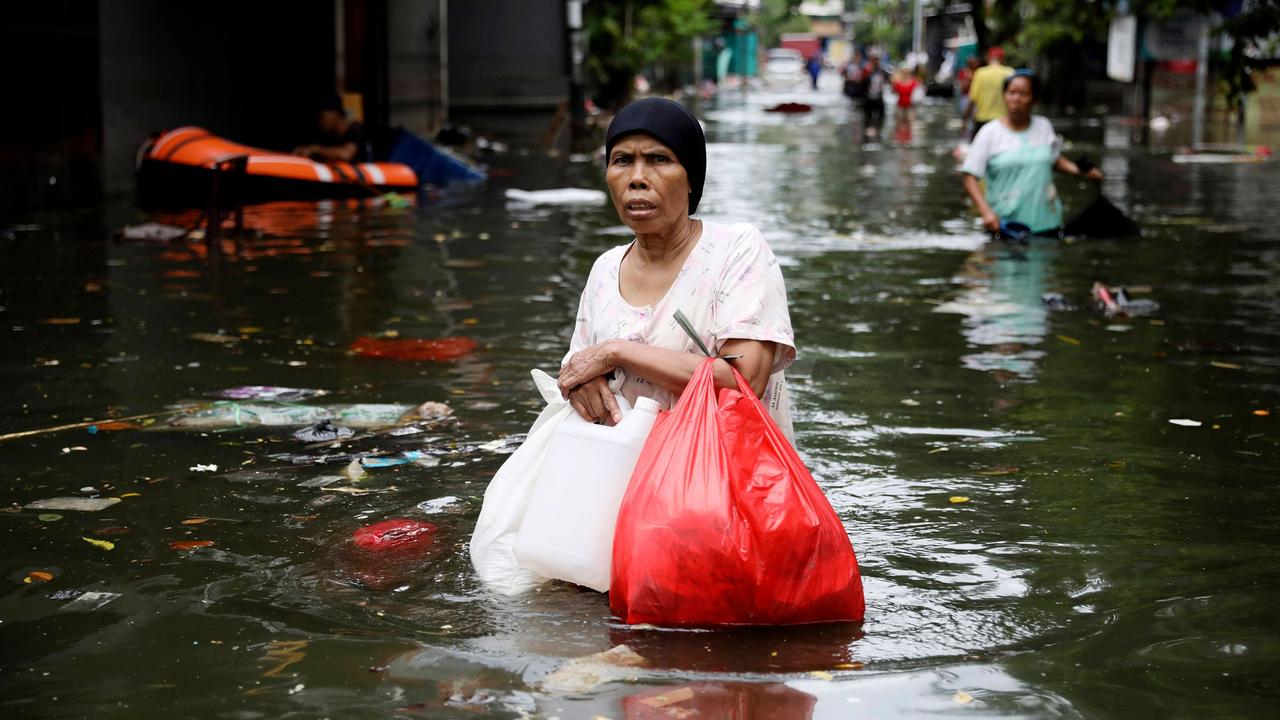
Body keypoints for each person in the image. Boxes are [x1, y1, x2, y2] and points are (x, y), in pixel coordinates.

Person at [557, 97, 798, 442]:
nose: (637, 178)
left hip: (721, 478)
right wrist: (582, 386)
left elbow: (745, 382)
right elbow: (578, 369)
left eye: (659, 159)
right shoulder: (606, 269)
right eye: (622, 160)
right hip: (628, 479)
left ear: (690, 179)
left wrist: (617, 351)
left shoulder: (736, 251)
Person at [961, 69, 1103, 236]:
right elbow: (969, 176)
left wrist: (1080, 171)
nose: (1015, 99)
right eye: (1011, 93)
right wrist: (986, 213)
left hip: (1047, 223)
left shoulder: (1043, 126)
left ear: (1034, 100)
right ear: (1004, 96)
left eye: (1023, 94)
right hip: (1005, 226)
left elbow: (1053, 159)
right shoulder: (990, 133)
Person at [293, 94, 370, 163]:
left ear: (334, 113)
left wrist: (315, 149)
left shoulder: (355, 131)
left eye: (321, 117)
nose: (319, 123)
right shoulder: (329, 137)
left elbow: (346, 154)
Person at [964, 47, 1014, 140]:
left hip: (982, 121)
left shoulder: (980, 73)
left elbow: (972, 100)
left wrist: (965, 120)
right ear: (1002, 59)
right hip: (1004, 122)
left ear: (988, 58)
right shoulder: (1010, 72)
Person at [860, 53, 888, 133]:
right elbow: (862, 84)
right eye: (874, 60)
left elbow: (889, 80)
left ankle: (878, 132)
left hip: (879, 99)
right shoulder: (867, 71)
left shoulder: (883, 72)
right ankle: (868, 133)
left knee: (880, 119)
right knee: (867, 119)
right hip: (868, 99)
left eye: (877, 60)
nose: (876, 62)